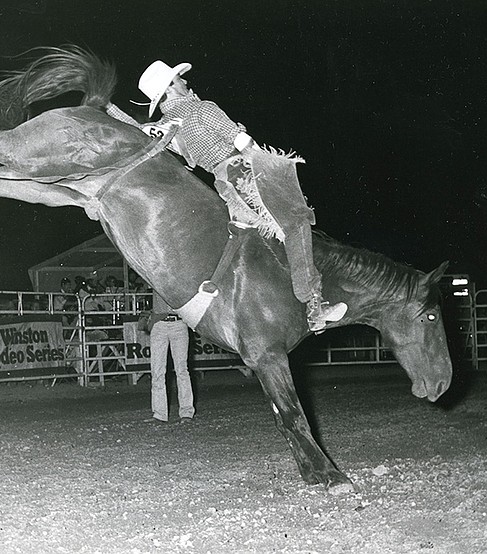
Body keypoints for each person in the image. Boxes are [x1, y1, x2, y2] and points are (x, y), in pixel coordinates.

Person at [106, 60, 347, 332]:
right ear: (170, 89)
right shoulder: (202, 109)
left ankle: (228, 286)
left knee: (253, 238)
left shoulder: (167, 126)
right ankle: (314, 305)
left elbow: (139, 131)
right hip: (244, 174)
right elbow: (242, 143)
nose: (187, 82)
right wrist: (267, 165)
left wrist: (109, 109)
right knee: (296, 223)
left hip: (224, 186)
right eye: (180, 80)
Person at [142, 289, 194, 423]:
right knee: (157, 370)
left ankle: (187, 412)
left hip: (179, 323)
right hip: (159, 325)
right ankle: (159, 414)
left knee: (182, 369)